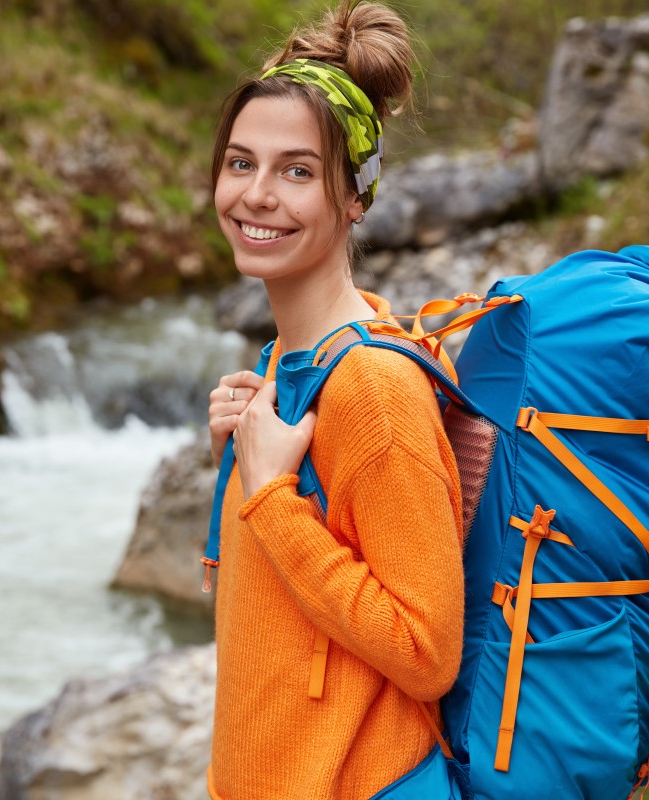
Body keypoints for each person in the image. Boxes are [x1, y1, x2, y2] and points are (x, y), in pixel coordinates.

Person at [204, 1, 466, 798]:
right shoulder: (287, 363)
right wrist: (243, 466)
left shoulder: (374, 390)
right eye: (240, 162)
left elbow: (428, 651)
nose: (256, 195)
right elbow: (259, 620)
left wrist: (276, 501)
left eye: (297, 171)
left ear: (355, 198)